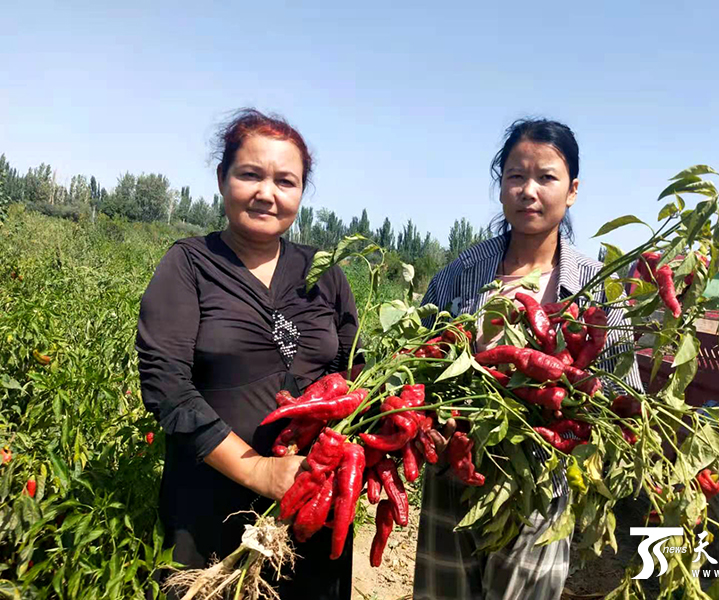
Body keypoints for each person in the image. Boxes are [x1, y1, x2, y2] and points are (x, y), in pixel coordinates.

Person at [413, 118, 643, 600]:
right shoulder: (459, 276)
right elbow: (419, 369)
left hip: (543, 481)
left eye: (546, 177)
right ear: (501, 188)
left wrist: (585, 425)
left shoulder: (597, 286)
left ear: (573, 190)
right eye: (516, 176)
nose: (528, 191)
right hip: (455, 471)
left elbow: (625, 395)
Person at [136, 109, 358, 599]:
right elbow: (166, 385)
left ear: (301, 193)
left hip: (310, 502)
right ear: (222, 178)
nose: (267, 193)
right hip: (211, 508)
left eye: (285, 181)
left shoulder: (325, 273)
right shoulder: (189, 264)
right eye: (250, 175)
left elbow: (352, 373)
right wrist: (257, 469)